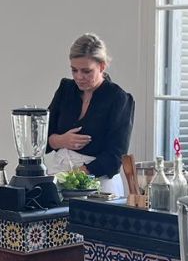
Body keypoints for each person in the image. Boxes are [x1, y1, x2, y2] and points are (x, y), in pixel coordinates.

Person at [45, 33, 135, 194]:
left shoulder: (118, 98)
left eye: (86, 71)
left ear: (102, 66)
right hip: (58, 178)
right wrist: (60, 140)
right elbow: (42, 139)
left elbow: (115, 157)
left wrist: (73, 177)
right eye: (74, 70)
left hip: (99, 184)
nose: (79, 77)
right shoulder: (65, 89)